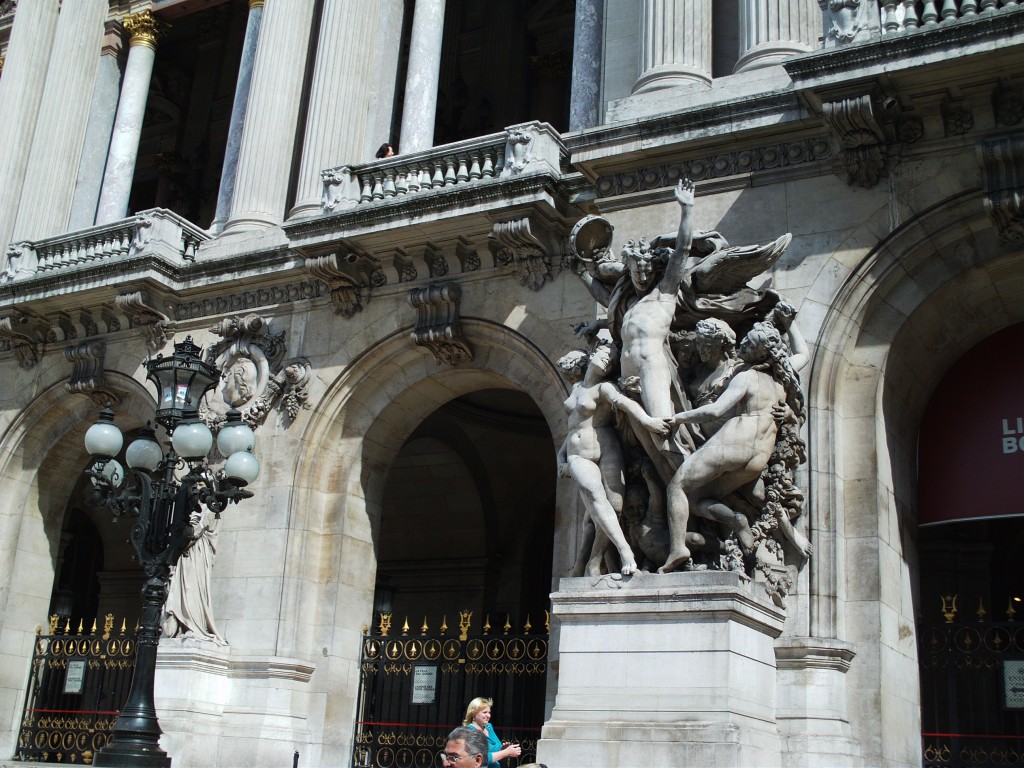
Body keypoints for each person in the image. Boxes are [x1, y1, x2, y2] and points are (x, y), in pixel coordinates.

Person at [659, 321, 803, 573]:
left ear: (759, 352)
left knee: (677, 487)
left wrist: (679, 418)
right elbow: (804, 355)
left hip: (733, 444)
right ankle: (736, 521)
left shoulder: (745, 376)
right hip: (758, 458)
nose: (742, 345)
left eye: (748, 343)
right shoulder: (780, 384)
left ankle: (677, 548)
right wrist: (791, 324)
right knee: (697, 499)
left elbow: (716, 410)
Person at [557, 342, 669, 576]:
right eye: (604, 354)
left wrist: (648, 421)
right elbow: (571, 429)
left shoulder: (604, 388)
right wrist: (560, 460)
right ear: (593, 355)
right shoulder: (576, 387)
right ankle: (624, 550)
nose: (607, 360)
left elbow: (625, 405)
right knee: (597, 498)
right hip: (578, 455)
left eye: (611, 359)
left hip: (607, 445)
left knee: (614, 508)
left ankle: (592, 563)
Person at [462, 697, 521, 768]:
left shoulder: (488, 727)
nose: (488, 716)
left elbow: (497, 748)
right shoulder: (470, 731)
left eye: (489, 712)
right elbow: (481, 758)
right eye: (484, 712)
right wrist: (506, 752)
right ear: (473, 713)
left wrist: (503, 748)